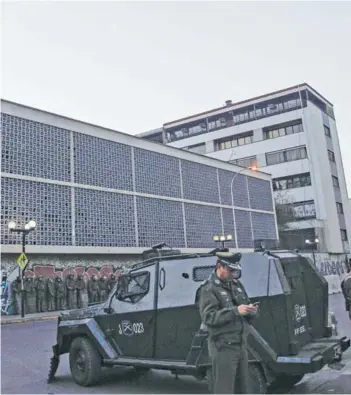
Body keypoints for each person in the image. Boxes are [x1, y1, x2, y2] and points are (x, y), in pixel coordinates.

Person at [197, 251, 258, 394]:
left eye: (236, 271)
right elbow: (209, 317)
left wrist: (252, 311)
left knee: (242, 388)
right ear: (219, 266)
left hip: (240, 344)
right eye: (230, 270)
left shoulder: (236, 284)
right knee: (224, 389)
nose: (233, 274)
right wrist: (236, 311)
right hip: (223, 347)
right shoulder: (209, 288)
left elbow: (245, 306)